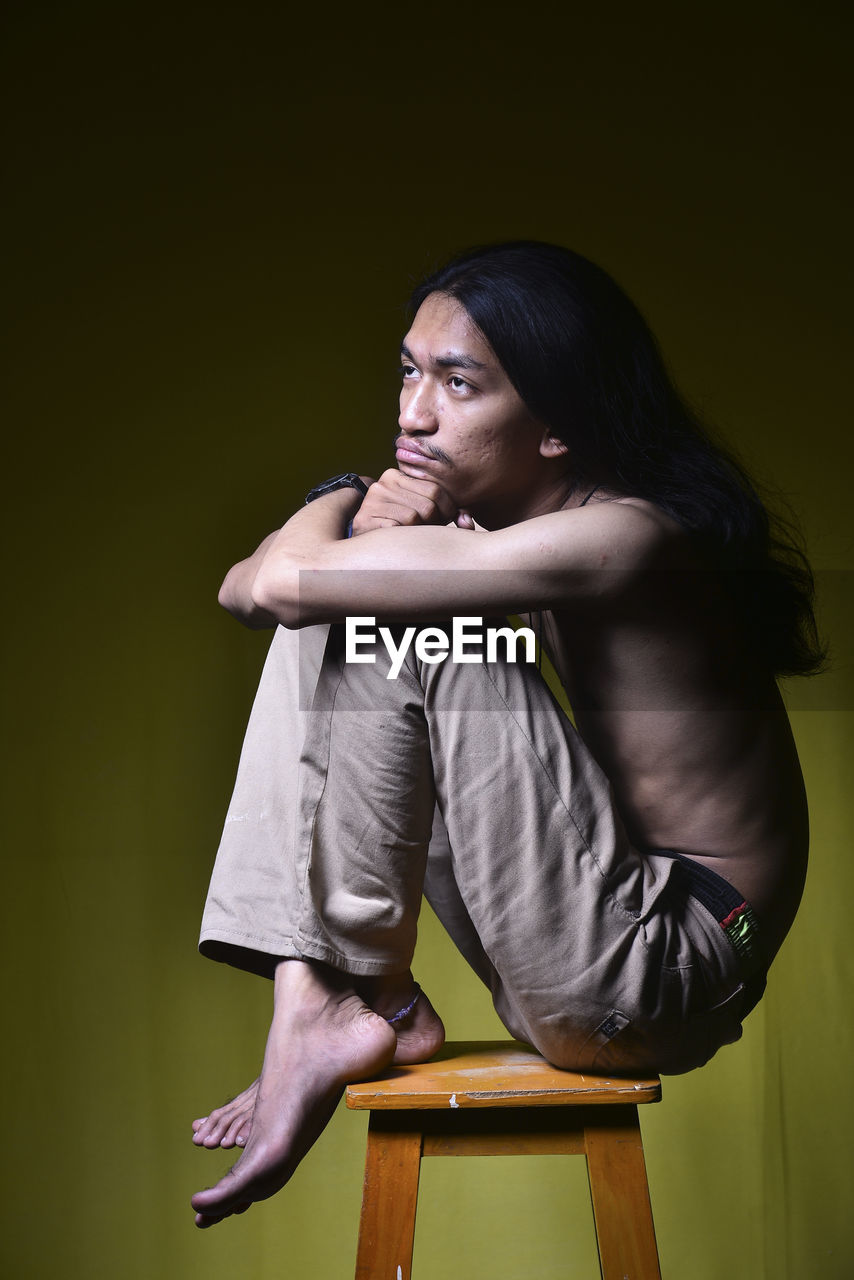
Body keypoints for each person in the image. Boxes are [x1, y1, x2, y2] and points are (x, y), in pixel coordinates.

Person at [190, 241, 823, 1228]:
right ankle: (362, 1003)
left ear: (559, 423)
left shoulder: (621, 538)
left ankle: (330, 1001)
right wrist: (365, 521)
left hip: (666, 960)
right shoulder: (514, 540)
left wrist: (344, 501)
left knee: (376, 609)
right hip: (592, 947)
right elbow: (245, 590)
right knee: (365, 606)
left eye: (456, 382)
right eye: (408, 369)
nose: (411, 412)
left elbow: (276, 584)